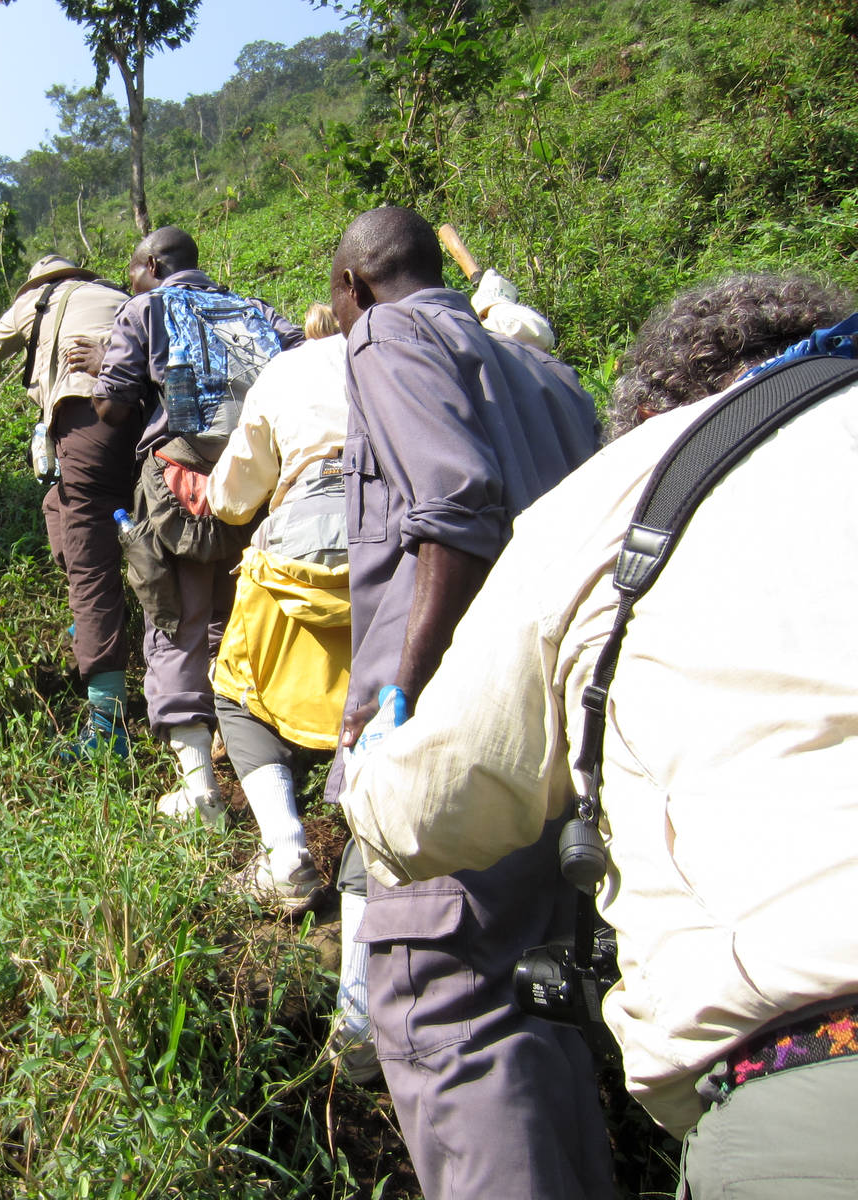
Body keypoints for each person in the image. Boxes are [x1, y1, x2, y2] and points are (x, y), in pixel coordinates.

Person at [343, 273, 858, 1200]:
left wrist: (374, 752)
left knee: (451, 1000)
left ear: (656, 410)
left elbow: (426, 805)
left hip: (818, 1077)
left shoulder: (637, 478)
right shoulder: (547, 378)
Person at [328, 205, 614, 1199]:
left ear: (355, 284)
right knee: (537, 1007)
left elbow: (453, 504)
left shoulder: (385, 335)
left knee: (446, 1018)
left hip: (457, 741)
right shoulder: (545, 373)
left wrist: (404, 694)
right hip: (564, 744)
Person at [90, 226, 303, 819]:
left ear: (153, 264)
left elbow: (112, 406)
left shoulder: (145, 309)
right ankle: (253, 754)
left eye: (133, 269)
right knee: (234, 615)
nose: (129, 280)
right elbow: (301, 356)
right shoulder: (252, 308)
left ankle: (200, 786)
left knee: (173, 618)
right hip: (256, 479)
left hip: (177, 479)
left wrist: (96, 369)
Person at [0, 256, 135, 755]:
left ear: (38, 283)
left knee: (89, 565)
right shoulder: (119, 297)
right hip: (143, 425)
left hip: (86, 422)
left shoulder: (35, 302)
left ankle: (108, 727)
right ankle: (95, 618)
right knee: (58, 505)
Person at [206, 305, 350, 912]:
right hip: (405, 534)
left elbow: (233, 500)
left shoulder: (285, 371)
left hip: (306, 532)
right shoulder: (398, 358)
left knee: (237, 688)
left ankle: (286, 853)